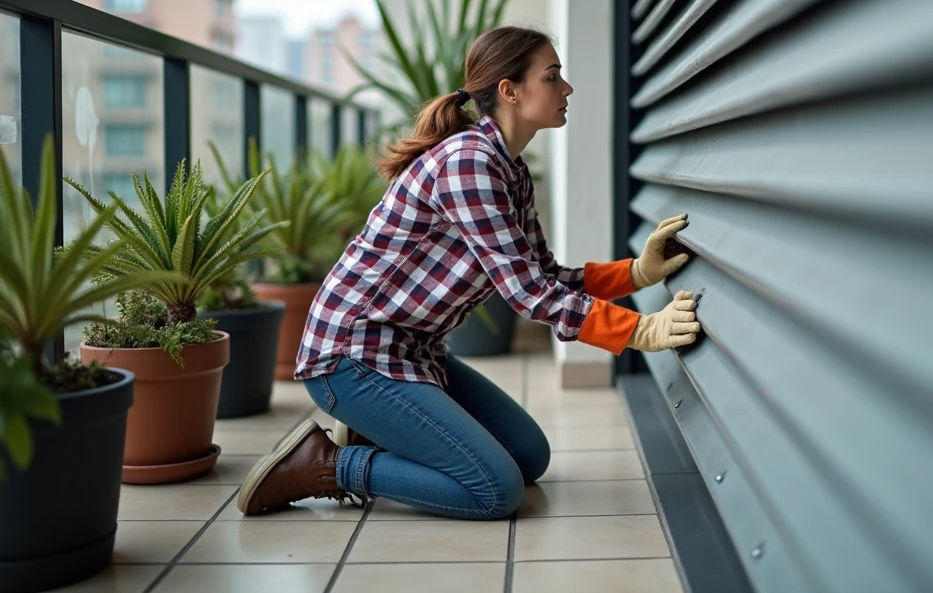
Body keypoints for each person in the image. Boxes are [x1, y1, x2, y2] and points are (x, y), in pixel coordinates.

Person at [236, 25, 699, 520]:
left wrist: (635, 273)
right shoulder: (469, 164)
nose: (567, 89)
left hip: (412, 351)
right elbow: (529, 295)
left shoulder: (509, 169)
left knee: (528, 456)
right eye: (553, 76)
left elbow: (542, 274)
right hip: (352, 358)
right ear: (510, 90)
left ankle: (374, 429)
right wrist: (638, 329)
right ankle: (325, 464)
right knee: (494, 491)